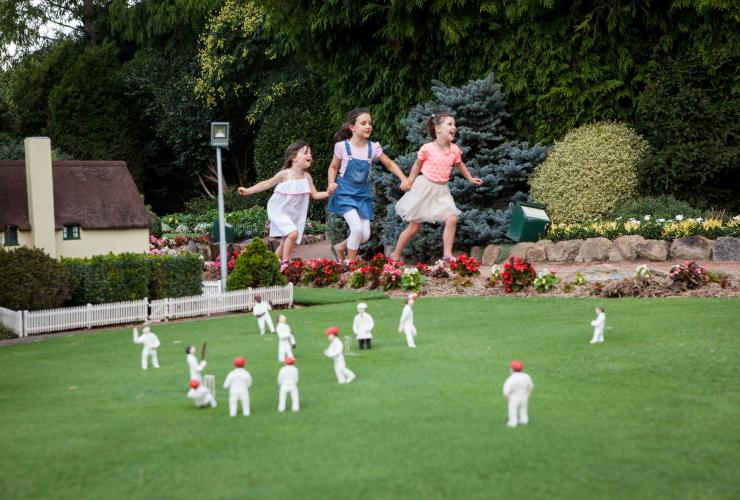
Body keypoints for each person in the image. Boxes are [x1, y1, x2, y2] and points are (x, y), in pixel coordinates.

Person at [391, 112, 483, 262]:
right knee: (414, 227)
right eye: (450, 124)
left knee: (452, 219)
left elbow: (460, 165)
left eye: (454, 124)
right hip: (424, 188)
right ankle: (395, 254)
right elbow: (417, 166)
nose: (454, 127)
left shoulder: (454, 149)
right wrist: (409, 180)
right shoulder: (427, 148)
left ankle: (447, 254)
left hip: (442, 191)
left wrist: (470, 178)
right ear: (438, 129)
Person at [327, 108, 410, 261]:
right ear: (352, 127)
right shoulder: (342, 147)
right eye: (363, 123)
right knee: (357, 229)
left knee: (364, 236)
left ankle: (340, 247)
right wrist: (331, 183)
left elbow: (390, 164)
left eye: (370, 123)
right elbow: (333, 167)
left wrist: (404, 178)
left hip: (362, 195)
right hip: (345, 193)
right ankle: (350, 265)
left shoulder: (372, 148)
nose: (368, 126)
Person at [238, 141, 334, 263]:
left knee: (284, 242)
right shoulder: (285, 174)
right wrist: (248, 190)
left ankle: (270, 264)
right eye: (305, 153)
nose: (310, 155)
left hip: (294, 214)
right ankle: (286, 264)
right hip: (278, 210)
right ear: (294, 158)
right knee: (293, 234)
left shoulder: (307, 177)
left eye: (310, 153)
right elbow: (266, 183)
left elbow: (315, 194)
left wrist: (328, 193)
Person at [502, 360, 534, 428]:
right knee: (523, 409)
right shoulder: (526, 376)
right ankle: (524, 420)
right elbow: (531, 387)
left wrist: (508, 399)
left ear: (512, 369)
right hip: (524, 396)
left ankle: (512, 423)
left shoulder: (511, 379)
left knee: (512, 410)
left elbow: (506, 391)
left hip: (514, 397)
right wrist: (528, 395)